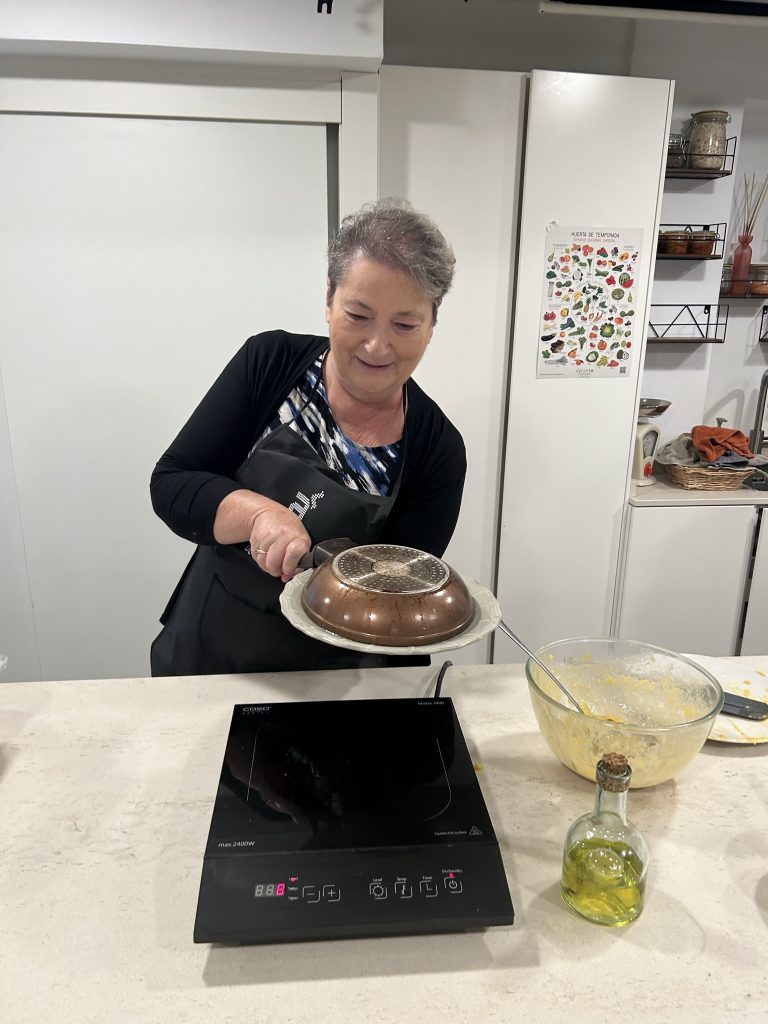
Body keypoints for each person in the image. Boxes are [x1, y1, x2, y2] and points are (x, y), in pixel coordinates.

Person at [149, 198, 466, 676]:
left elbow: (403, 597)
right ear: (328, 299)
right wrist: (259, 515)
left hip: (330, 679)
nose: (377, 346)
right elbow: (173, 483)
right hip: (209, 654)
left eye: (404, 324)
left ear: (432, 324)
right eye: (358, 315)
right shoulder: (270, 364)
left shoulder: (436, 450)